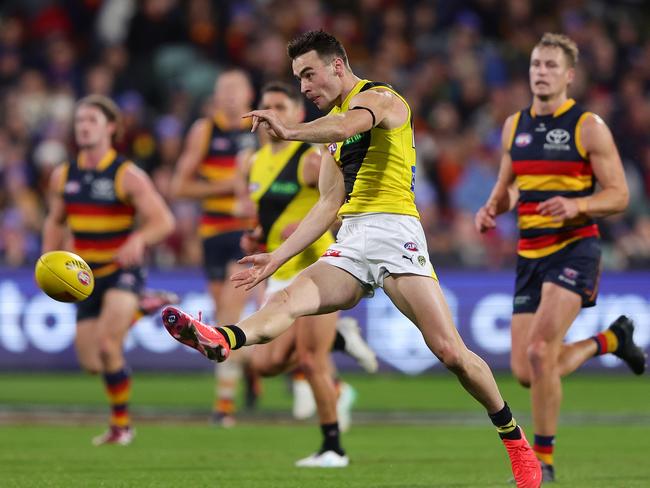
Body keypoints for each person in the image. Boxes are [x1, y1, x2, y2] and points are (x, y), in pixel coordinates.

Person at [162, 30, 541, 486]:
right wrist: (277, 258)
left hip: (396, 233)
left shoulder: (383, 100)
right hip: (352, 239)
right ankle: (222, 339)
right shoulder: (332, 140)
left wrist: (289, 132)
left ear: (337, 66)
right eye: (298, 77)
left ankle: (515, 438)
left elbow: (346, 126)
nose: (303, 87)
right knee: (285, 302)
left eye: (308, 74)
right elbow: (326, 206)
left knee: (450, 352)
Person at [474, 33, 646, 482]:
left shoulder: (588, 126)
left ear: (569, 75)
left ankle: (544, 461)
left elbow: (619, 195)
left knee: (537, 352)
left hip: (576, 247)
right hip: (530, 252)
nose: (541, 72)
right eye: (536, 64)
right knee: (526, 370)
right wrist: (494, 205)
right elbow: (512, 184)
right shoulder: (515, 125)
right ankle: (610, 342)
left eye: (551, 65)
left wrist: (578, 205)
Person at [238, 80, 377, 465]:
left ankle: (333, 448)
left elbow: (334, 205)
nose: (271, 113)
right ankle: (340, 342)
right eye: (265, 105)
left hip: (314, 269)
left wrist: (296, 231)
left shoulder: (309, 159)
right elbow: (267, 215)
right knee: (265, 364)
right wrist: (257, 238)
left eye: (280, 106)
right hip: (278, 273)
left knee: (311, 361)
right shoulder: (254, 162)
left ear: (298, 115)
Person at [43, 94, 175, 445]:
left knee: (107, 342)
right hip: (83, 276)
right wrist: (47, 259)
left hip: (121, 271)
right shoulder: (63, 175)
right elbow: (55, 222)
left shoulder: (127, 175)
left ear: (111, 128)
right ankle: (142, 309)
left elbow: (164, 221)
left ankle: (121, 427)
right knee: (92, 361)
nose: (83, 126)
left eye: (91, 121)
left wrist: (140, 239)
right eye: (79, 121)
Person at [170, 69, 258, 426]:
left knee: (226, 317)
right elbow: (180, 186)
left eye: (237, 88)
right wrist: (230, 187)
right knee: (225, 315)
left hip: (246, 235)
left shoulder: (261, 129)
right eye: (224, 89)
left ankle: (224, 407)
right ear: (216, 96)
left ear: (250, 93)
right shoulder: (204, 131)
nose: (231, 95)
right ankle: (253, 372)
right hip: (213, 237)